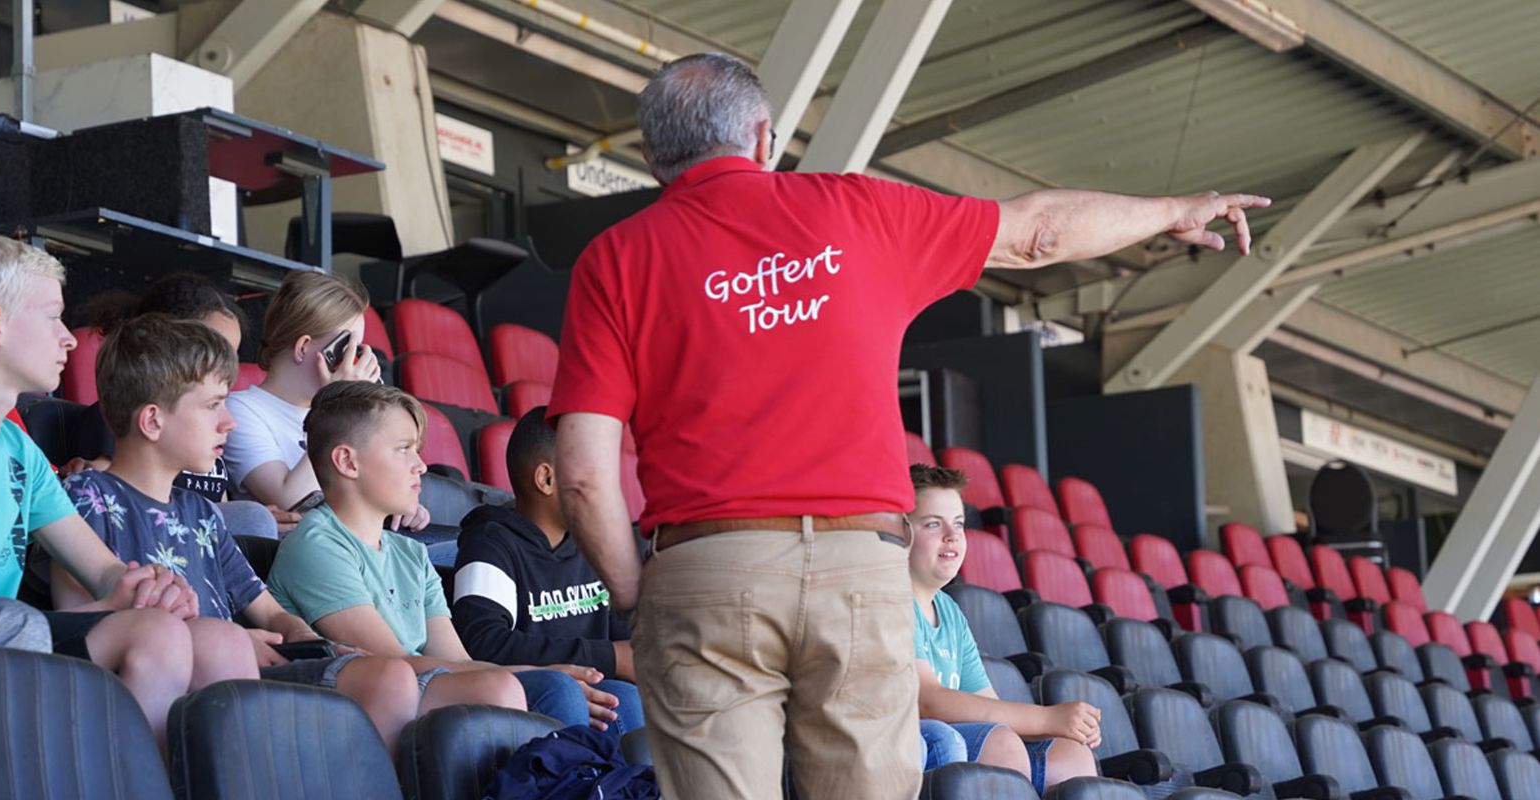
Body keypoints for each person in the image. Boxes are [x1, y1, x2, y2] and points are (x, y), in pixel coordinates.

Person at [546, 52, 1269, 799]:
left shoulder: (616, 258)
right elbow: (1039, 233)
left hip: (706, 565)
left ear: (650, 154)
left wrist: (638, 591)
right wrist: (1169, 211)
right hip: (859, 568)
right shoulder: (858, 209)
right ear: (764, 138)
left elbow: (582, 472)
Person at [52, 313, 435, 756]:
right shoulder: (87, 496)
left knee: (384, 676)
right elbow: (83, 620)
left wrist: (309, 641)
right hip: (176, 670)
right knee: (226, 644)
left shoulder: (201, 511)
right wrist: (228, 638)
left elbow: (271, 614)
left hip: (238, 662)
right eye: (213, 405)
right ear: (153, 421)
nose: (228, 422)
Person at [0, 233, 237, 744]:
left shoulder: (19, 450)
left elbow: (103, 570)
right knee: (17, 623)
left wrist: (147, 589)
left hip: (10, 641)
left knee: (193, 636)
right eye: (53, 316)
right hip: (5, 635)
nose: (70, 338)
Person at [266, 380, 614, 726]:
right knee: (542, 689)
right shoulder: (317, 544)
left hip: (423, 687)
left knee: (598, 693)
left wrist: (540, 671)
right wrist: (532, 673)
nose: (420, 465)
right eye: (403, 448)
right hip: (356, 706)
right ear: (347, 461)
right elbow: (393, 661)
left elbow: (456, 659)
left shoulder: (412, 554)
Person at [906, 464, 1099, 794]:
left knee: (1072, 754)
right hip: (911, 744)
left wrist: (1067, 727)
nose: (951, 535)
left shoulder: (950, 611)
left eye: (959, 524)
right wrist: (1047, 718)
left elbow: (986, 705)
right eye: (933, 524)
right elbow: (928, 702)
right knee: (1001, 744)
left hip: (954, 743)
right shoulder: (893, 600)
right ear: (901, 532)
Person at [453, 406, 643, 733]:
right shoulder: (491, 543)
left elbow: (624, 638)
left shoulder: (590, 545)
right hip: (524, 696)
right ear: (547, 479)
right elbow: (482, 643)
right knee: (575, 693)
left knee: (630, 695)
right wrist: (611, 658)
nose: (608, 489)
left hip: (591, 694)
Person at [63, 274, 281, 537]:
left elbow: (217, 501)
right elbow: (113, 493)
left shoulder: (209, 430)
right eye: (211, 346)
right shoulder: (117, 418)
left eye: (232, 354)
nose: (228, 364)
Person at [223, 270, 428, 531]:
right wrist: (339, 407)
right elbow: (292, 501)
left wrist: (401, 504)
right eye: (346, 347)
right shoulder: (240, 410)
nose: (356, 360)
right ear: (303, 347)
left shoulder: (345, 414)